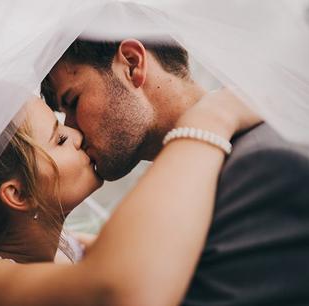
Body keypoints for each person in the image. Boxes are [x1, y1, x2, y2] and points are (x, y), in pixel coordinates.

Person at [0, 85, 259, 306]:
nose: (75, 132)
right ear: (18, 193)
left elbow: (153, 246)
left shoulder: (66, 246)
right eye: (58, 140)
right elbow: (122, 291)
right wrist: (209, 121)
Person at [41, 38, 309, 305]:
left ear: (132, 64)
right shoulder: (160, 200)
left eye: (73, 102)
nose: (73, 129)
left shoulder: (264, 168)